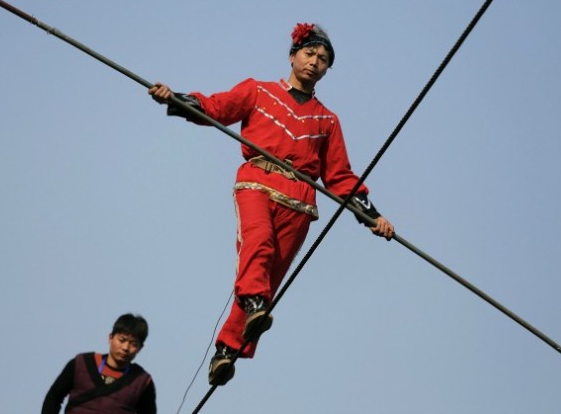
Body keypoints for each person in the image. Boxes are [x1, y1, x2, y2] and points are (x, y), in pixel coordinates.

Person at [149, 22, 395, 386]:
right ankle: (252, 306)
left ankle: (227, 351)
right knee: (258, 243)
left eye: (323, 59)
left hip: (299, 201)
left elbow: (340, 176)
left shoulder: (327, 120)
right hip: (257, 181)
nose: (315, 62)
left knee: (268, 277)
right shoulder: (258, 91)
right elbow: (217, 107)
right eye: (309, 53)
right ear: (293, 56)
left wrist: (373, 217)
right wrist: (176, 98)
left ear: (328, 69)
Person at [41, 313, 156, 414]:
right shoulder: (81, 363)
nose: (125, 347)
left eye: (133, 344)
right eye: (122, 340)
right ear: (110, 338)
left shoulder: (142, 382)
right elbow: (54, 396)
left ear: (140, 348)